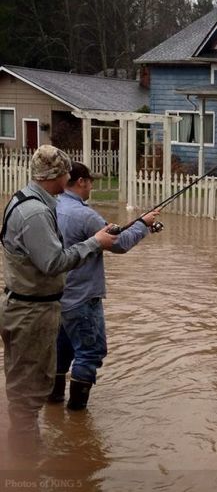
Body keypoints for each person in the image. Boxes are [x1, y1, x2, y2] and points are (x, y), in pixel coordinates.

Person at [0, 146, 116, 438]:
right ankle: (26, 465)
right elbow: (54, 262)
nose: (71, 177)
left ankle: (32, 453)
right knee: (27, 394)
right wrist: (95, 242)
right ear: (59, 175)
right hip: (31, 312)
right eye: (67, 172)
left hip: (29, 306)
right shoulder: (35, 212)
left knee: (30, 385)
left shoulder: (25, 199)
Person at [48, 162, 160, 411]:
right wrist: (143, 225)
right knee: (90, 353)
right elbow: (119, 244)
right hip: (83, 298)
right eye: (91, 181)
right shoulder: (84, 215)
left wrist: (139, 223)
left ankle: (53, 405)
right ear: (81, 182)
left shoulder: (52, 207)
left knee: (60, 353)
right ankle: (77, 416)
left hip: (57, 297)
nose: (92, 186)